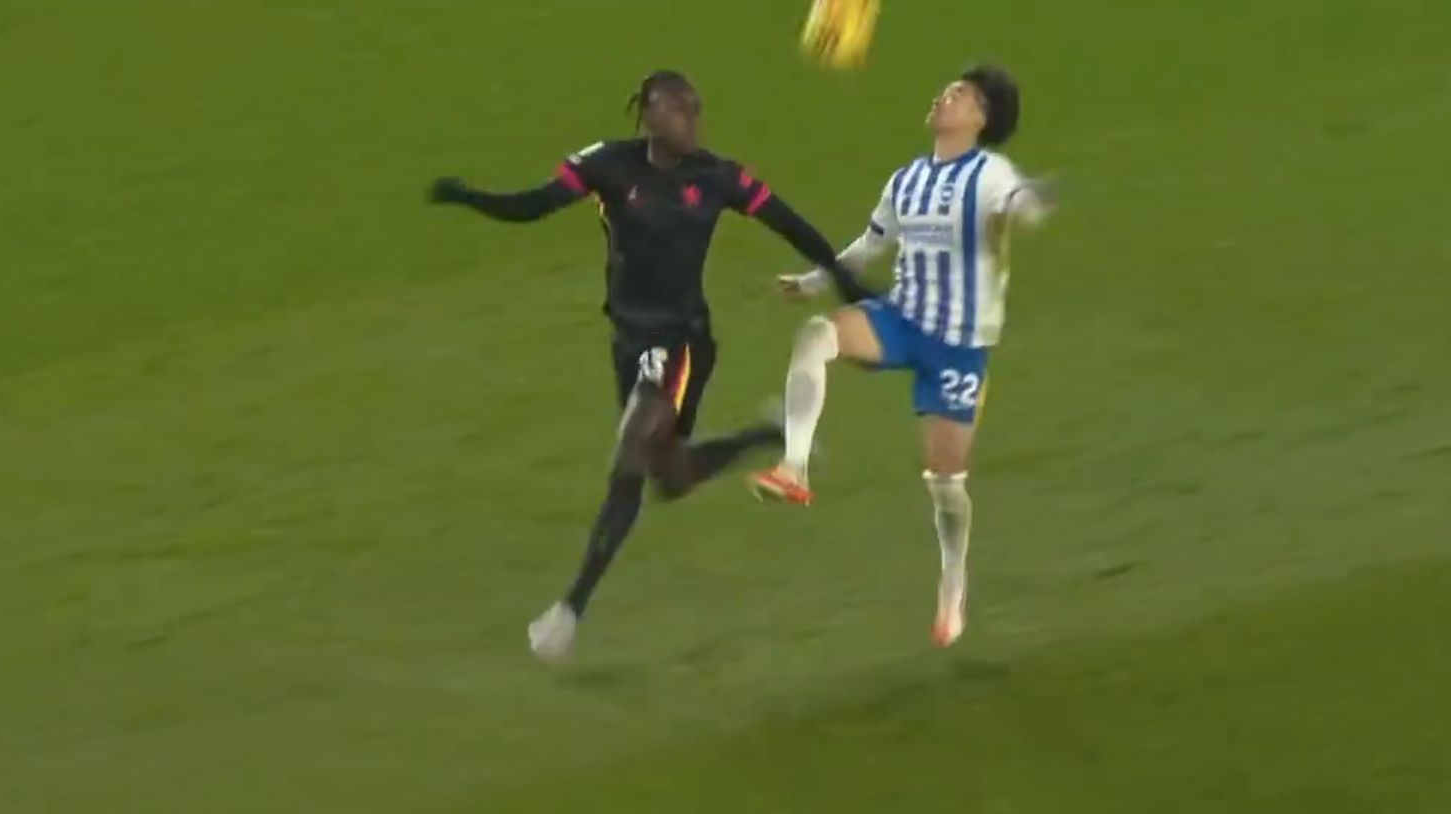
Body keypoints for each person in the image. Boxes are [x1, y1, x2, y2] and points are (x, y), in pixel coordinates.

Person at [428, 70, 873, 662]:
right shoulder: (609, 166)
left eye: (696, 110)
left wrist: (846, 283)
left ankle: (569, 609)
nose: (692, 120)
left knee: (632, 449)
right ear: (649, 116)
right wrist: (468, 197)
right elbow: (533, 206)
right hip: (629, 339)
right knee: (673, 476)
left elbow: (793, 227)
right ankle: (772, 432)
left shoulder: (718, 177)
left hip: (683, 341)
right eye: (679, 110)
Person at [749, 65, 1052, 648]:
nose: (943, 96)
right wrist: (816, 282)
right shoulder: (907, 178)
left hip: (959, 348)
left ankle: (953, 581)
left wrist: (1027, 206)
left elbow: (1013, 203)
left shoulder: (990, 173)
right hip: (902, 320)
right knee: (818, 335)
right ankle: (794, 469)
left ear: (980, 118)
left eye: (959, 95)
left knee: (945, 484)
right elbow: (871, 245)